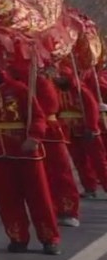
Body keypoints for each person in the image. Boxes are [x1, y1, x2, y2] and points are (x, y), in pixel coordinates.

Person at [0, 53, 60, 254]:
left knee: (38, 197)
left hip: (24, 150)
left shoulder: (18, 89)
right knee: (6, 199)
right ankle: (17, 237)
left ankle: (49, 238)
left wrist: (34, 137)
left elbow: (37, 117)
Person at [27, 60, 82, 227]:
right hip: (29, 135)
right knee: (40, 178)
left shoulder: (42, 83)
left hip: (49, 133)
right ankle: (49, 210)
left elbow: (50, 107)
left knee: (60, 174)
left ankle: (68, 210)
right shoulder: (18, 84)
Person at [56, 65, 107, 201]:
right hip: (70, 131)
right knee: (80, 161)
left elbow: (92, 109)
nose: (59, 79)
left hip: (86, 129)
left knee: (99, 160)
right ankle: (89, 187)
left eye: (62, 77)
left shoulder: (81, 90)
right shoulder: (57, 91)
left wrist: (91, 127)